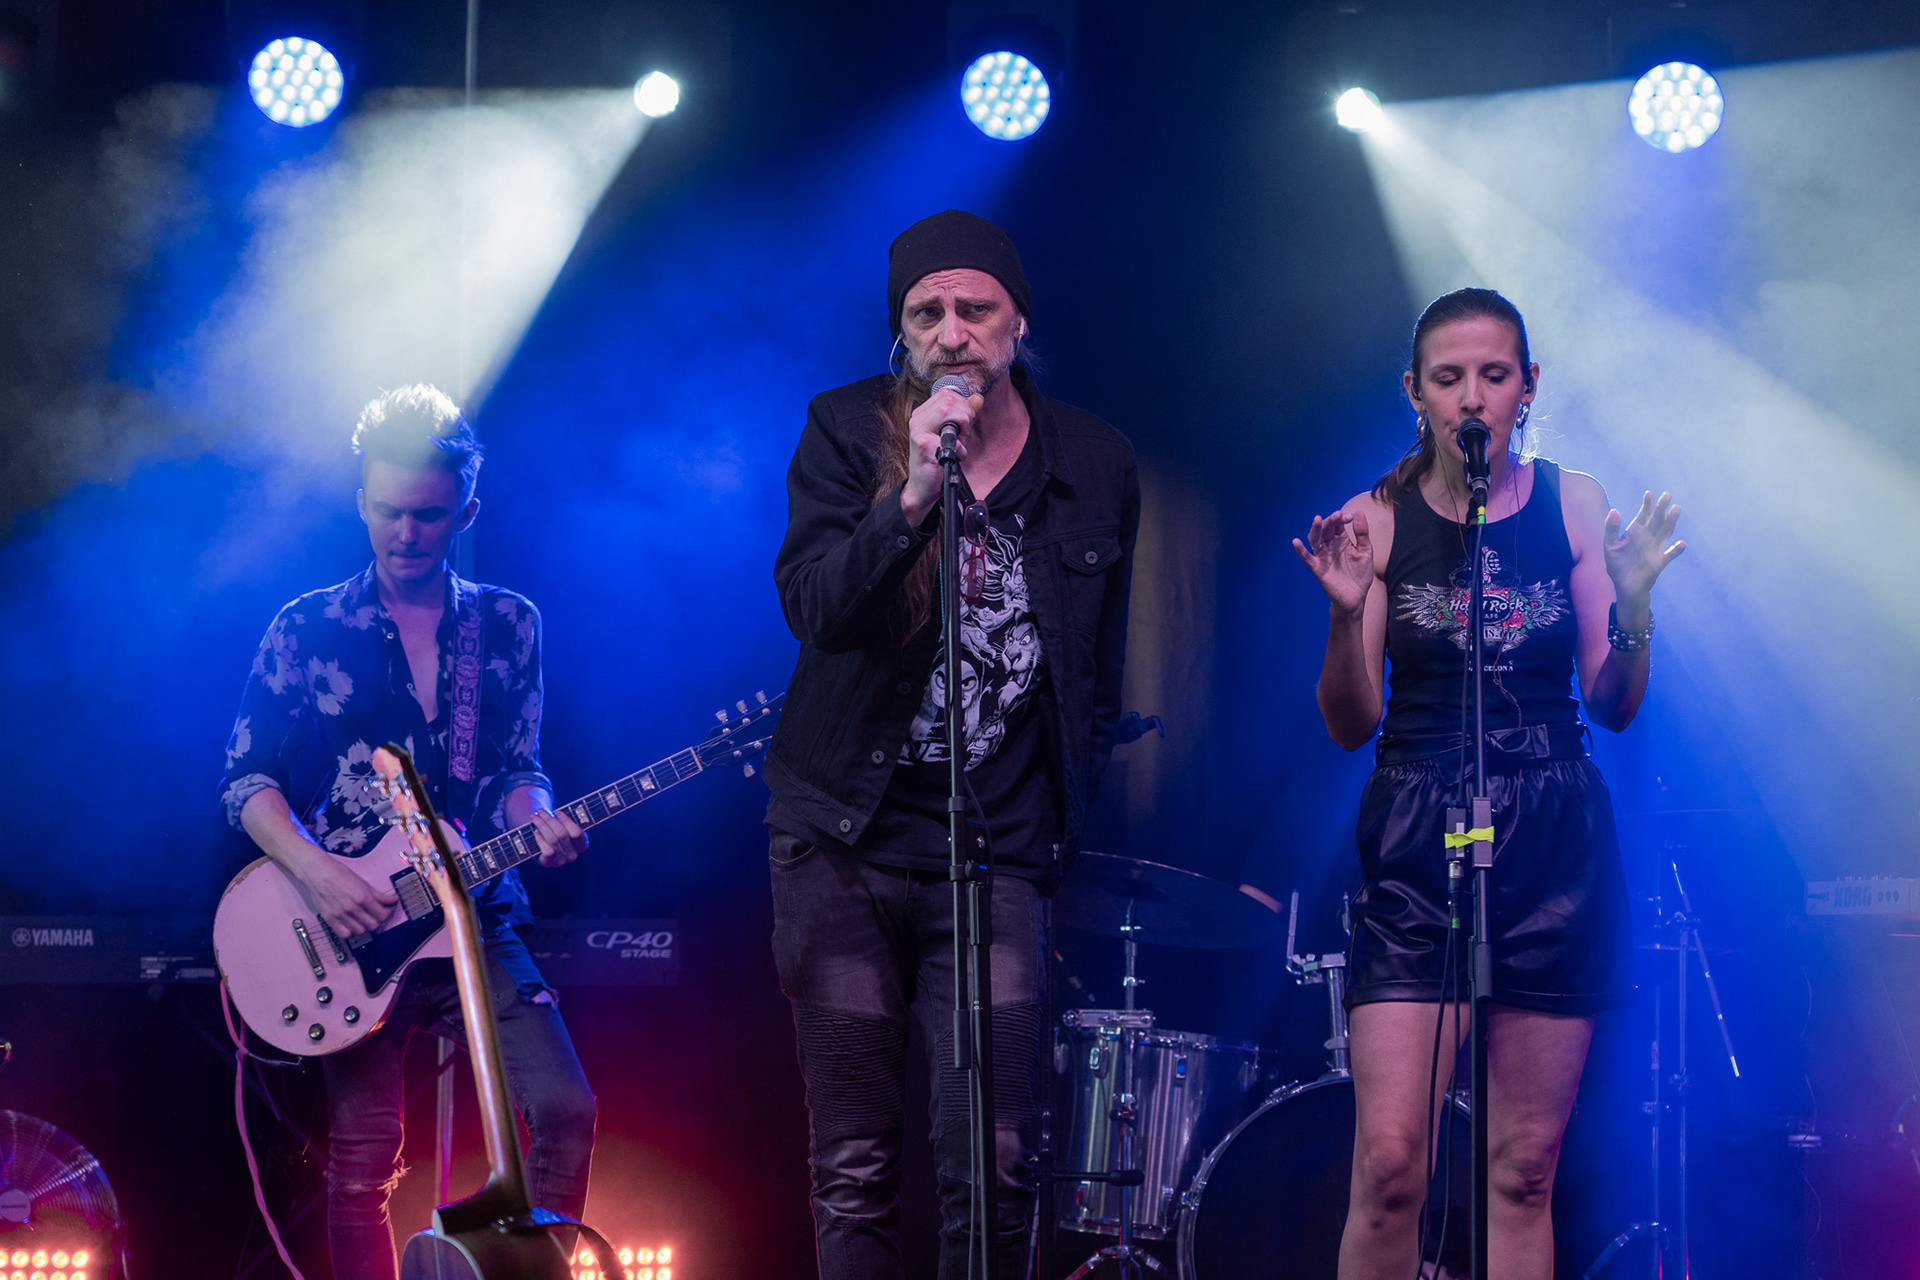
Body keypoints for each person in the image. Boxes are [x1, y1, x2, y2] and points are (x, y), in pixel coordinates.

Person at [763, 209, 1139, 1278]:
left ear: (1019, 321)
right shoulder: (847, 431)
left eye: (975, 307)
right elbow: (814, 608)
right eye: (926, 314)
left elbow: (1098, 676)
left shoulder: (1094, 461)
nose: (952, 331)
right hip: (843, 839)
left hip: (995, 848)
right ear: (903, 335)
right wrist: (914, 497)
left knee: (999, 1158)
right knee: (854, 1161)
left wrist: (1055, 835)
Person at [1292, 289, 1685, 1280]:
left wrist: (1634, 605)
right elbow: (1349, 723)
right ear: (1416, 393)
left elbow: (1614, 702)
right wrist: (1344, 615)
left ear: (1527, 387)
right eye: (1449, 377)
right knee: (1390, 1164)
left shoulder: (1574, 503)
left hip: (1551, 830)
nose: (1472, 396)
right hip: (1421, 827)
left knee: (1521, 1171)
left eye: (1494, 375)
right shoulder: (1374, 518)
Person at [219, 386, 597, 1280]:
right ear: (361, 502)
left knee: (567, 1111)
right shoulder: (307, 626)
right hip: (354, 919)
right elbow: (246, 781)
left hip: (476, 911)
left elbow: (517, 769)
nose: (406, 533)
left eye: (429, 515)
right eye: (388, 511)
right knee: (361, 1159)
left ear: (466, 511)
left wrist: (538, 821)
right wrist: (316, 873)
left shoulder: (508, 624)